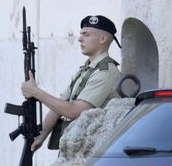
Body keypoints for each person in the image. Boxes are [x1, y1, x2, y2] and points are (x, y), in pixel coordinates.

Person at [24, 15, 122, 152]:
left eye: (86, 35)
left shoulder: (105, 72)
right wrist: (40, 136)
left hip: (96, 150)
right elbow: (59, 104)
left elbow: (75, 111)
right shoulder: (86, 70)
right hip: (78, 146)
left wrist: (36, 92)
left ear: (102, 39)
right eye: (81, 34)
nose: (80, 38)